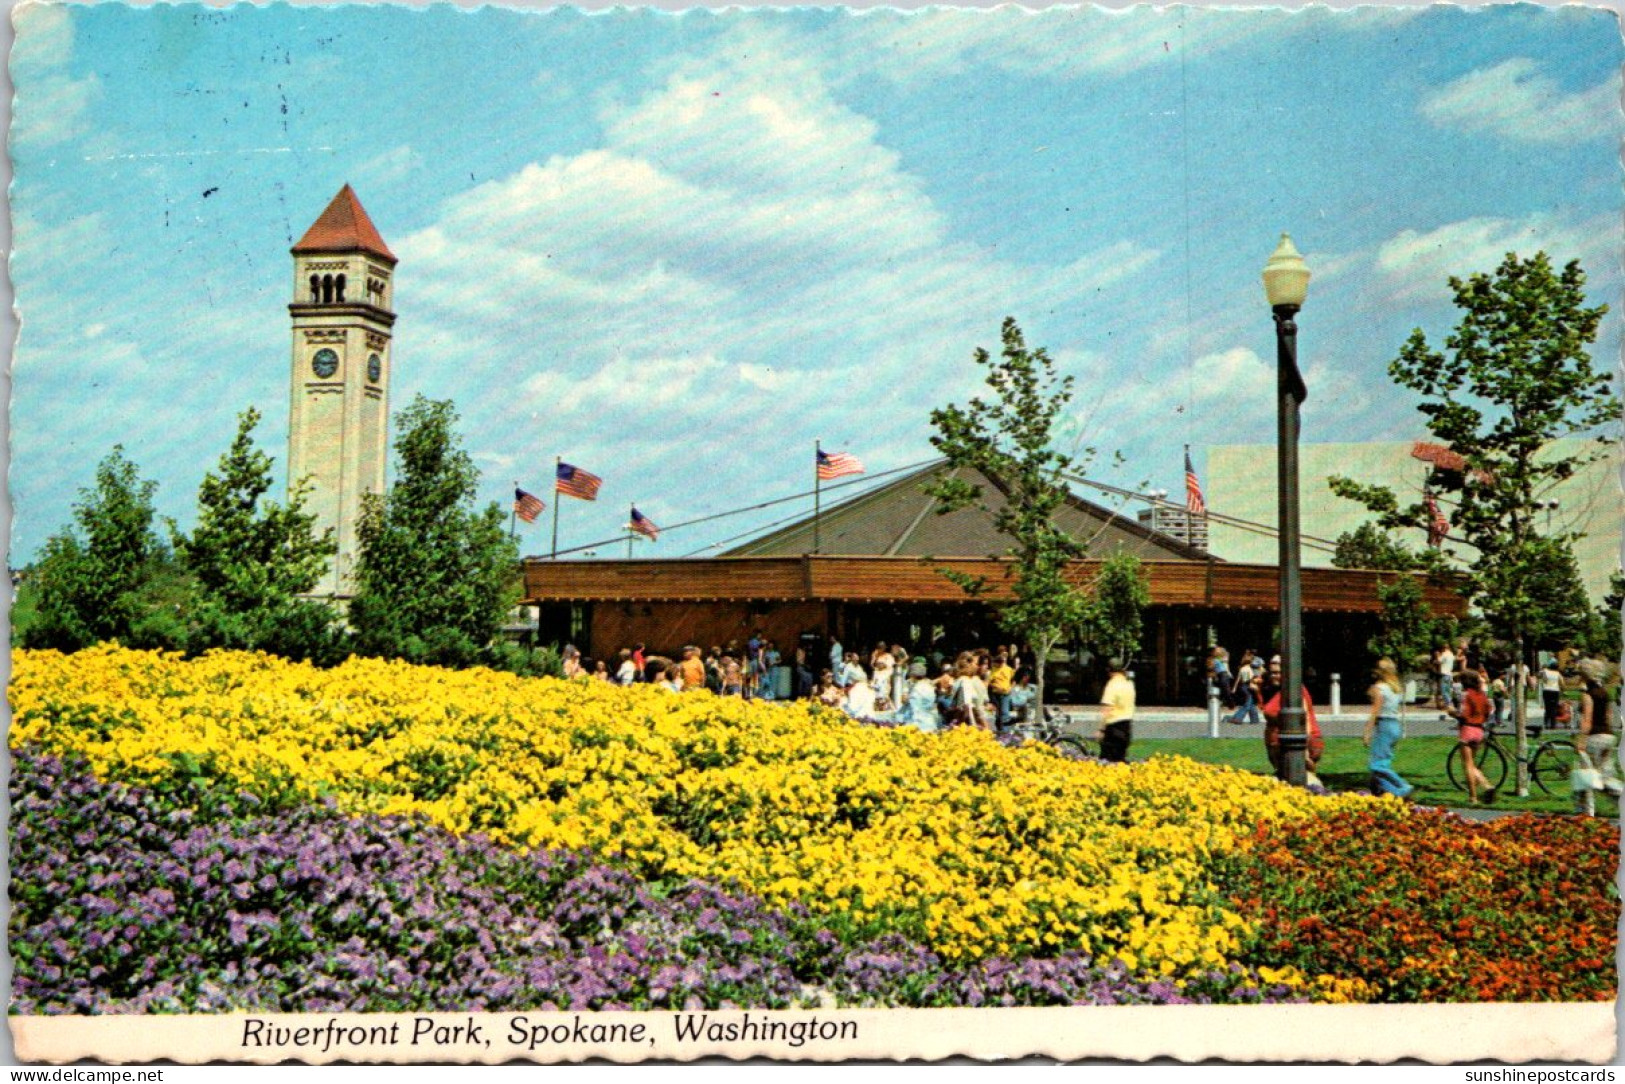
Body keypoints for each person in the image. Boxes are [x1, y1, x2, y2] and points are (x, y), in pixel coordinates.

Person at [1363, 658, 1414, 800]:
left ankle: (1402, 787)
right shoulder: (1395, 689)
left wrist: (1367, 732)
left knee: (1377, 765)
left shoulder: (1380, 689)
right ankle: (1390, 793)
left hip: (1384, 726)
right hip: (1394, 725)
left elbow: (1375, 712)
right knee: (1384, 761)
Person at [1447, 670, 1496, 804]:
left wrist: (1452, 713)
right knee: (1473, 764)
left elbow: (1463, 714)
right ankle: (1486, 786)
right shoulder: (1482, 695)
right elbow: (1489, 710)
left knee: (1467, 765)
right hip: (1479, 730)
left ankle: (1475, 795)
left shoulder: (1467, 695)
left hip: (1467, 729)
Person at [1575, 675, 1622, 815]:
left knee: (1585, 776)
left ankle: (1584, 811)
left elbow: (1587, 719)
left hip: (1593, 738)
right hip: (1608, 735)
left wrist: (1581, 740)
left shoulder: (1587, 695)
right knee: (1605, 775)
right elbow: (1608, 715)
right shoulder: (1605, 693)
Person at [1098, 657, 1135, 763]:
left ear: (1109, 670)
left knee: (1108, 760)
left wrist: (1101, 729)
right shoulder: (1128, 683)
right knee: (1120, 759)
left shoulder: (1112, 685)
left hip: (1113, 727)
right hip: (1127, 725)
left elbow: (1107, 709)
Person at [896, 660, 940, 733]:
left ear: (912, 674)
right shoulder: (930, 686)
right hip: (930, 722)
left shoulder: (916, 689)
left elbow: (914, 709)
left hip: (918, 724)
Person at [1228, 650, 1260, 725]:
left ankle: (1255, 719)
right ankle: (1238, 718)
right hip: (1248, 687)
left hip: (1242, 687)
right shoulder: (1249, 669)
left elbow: (1238, 679)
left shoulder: (1241, 669)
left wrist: (1234, 688)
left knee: (1251, 703)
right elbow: (1251, 680)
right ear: (1250, 662)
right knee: (1247, 704)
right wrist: (1257, 681)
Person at [987, 652, 1015, 731]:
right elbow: (989, 681)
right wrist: (994, 686)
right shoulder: (994, 670)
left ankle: (1005, 731)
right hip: (996, 693)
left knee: (1005, 712)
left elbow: (1013, 680)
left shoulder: (1008, 669)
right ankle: (999, 728)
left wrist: (1010, 688)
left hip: (1005, 693)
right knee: (998, 713)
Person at [1540, 658, 1565, 729]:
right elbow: (1562, 683)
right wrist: (1562, 691)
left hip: (1547, 690)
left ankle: (1546, 723)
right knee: (1554, 708)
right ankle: (1553, 724)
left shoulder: (1546, 671)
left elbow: (1544, 680)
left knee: (1547, 707)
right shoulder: (1558, 674)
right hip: (1555, 691)